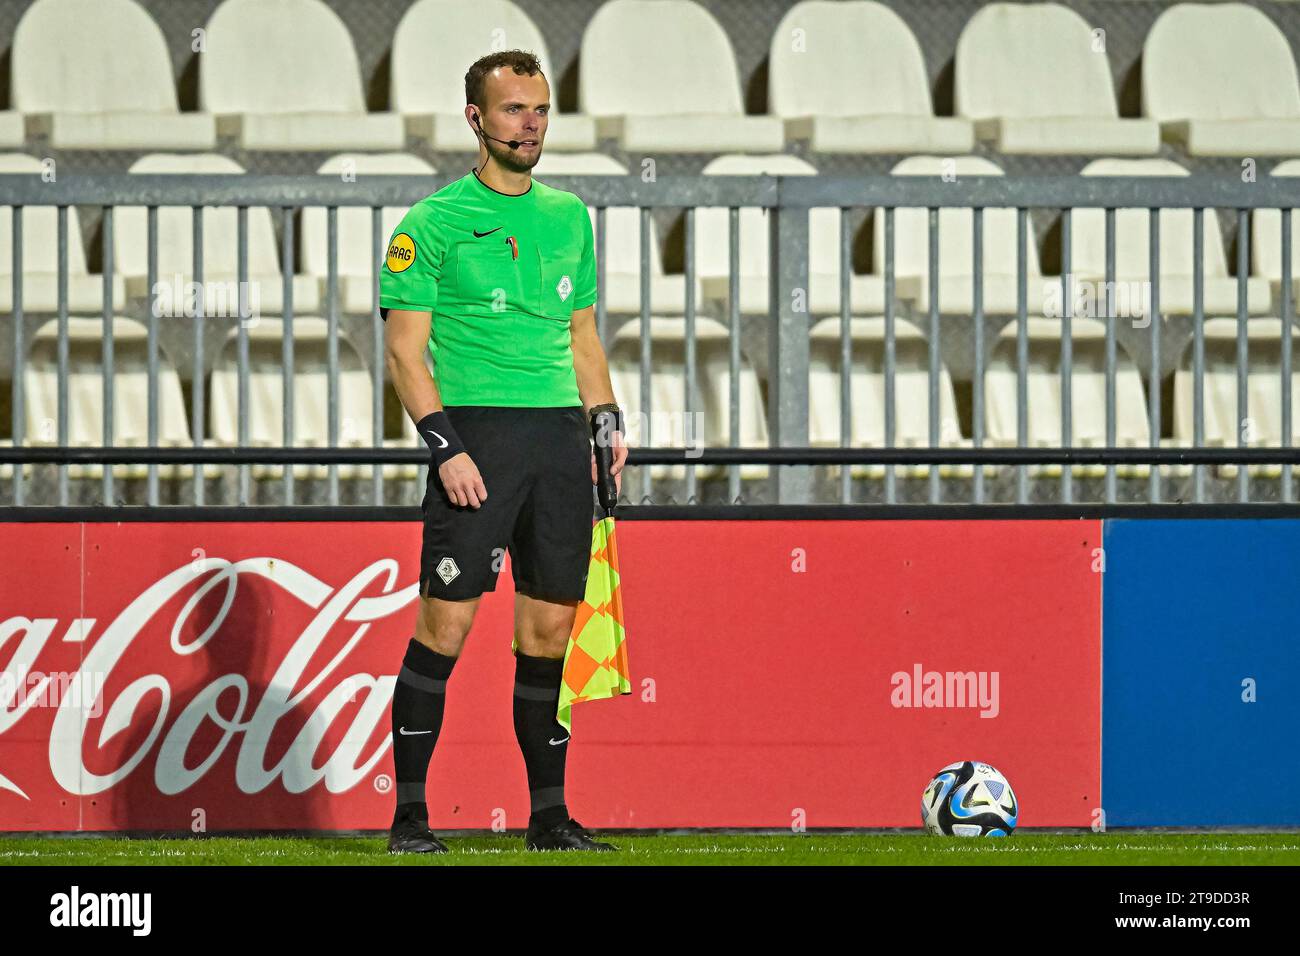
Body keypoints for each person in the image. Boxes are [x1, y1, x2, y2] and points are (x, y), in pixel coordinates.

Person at [379, 49, 628, 853]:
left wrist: (606, 422)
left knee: (548, 633)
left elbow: (582, 335)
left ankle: (549, 817)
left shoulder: (568, 217)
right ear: (476, 119)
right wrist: (445, 449)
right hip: (477, 438)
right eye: (514, 109)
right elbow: (403, 355)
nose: (531, 124)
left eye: (541, 109)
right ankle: (410, 816)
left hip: (558, 439)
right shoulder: (429, 223)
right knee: (444, 629)